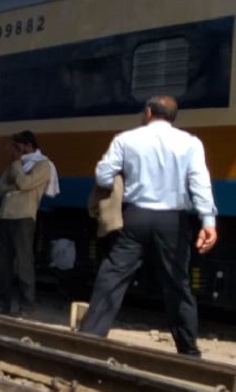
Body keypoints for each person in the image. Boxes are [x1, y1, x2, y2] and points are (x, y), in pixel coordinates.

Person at [79, 96, 217, 356]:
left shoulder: (126, 139)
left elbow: (103, 175)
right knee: (177, 284)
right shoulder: (190, 143)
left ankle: (89, 339)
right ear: (173, 117)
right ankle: (188, 351)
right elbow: (200, 182)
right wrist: (208, 220)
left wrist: (124, 179)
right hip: (173, 221)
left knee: (112, 277)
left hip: (135, 217)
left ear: (149, 112)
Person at [0, 130, 57, 316]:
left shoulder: (43, 165)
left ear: (28, 146)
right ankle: (3, 303)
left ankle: (26, 305)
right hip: (4, 216)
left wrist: (18, 164)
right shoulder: (15, 164)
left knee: (24, 263)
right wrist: (16, 174)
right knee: (3, 264)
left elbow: (24, 183)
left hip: (24, 217)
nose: (15, 151)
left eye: (18, 146)